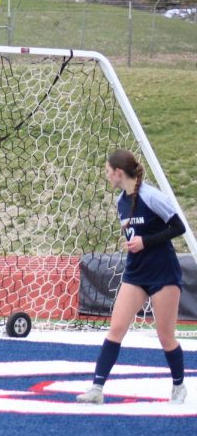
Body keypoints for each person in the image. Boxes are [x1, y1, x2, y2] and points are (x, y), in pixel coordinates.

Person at [77, 149, 187, 405]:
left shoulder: (150, 196)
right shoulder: (120, 201)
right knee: (116, 329)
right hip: (136, 273)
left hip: (163, 274)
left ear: (118, 172)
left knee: (165, 336)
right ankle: (97, 388)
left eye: (107, 172)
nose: (106, 177)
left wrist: (144, 241)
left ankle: (179, 385)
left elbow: (178, 227)